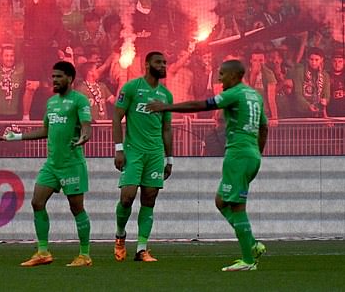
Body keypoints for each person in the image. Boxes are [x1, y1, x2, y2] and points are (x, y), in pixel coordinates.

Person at [147, 60, 268, 271]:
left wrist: (167, 107)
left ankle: (248, 260)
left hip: (238, 155)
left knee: (237, 206)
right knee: (221, 201)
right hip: (250, 154)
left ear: (233, 75)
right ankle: (252, 245)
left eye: (222, 74)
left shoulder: (235, 93)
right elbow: (264, 127)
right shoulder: (255, 96)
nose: (219, 78)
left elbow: (201, 105)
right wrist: (257, 152)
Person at [0, 61, 93, 267]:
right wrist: (16, 137)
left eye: (59, 76)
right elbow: (45, 131)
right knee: (37, 202)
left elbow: (87, 127)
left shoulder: (80, 101)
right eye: (53, 77)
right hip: (52, 165)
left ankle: (84, 255)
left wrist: (83, 138)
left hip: (72, 164)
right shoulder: (51, 103)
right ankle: (43, 252)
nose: (55, 80)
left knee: (76, 208)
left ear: (70, 78)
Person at [112, 51, 173, 263]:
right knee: (127, 197)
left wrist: (169, 158)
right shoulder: (131, 88)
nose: (163, 65)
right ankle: (120, 235)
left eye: (165, 62)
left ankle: (141, 249)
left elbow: (167, 129)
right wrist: (119, 149)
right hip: (133, 151)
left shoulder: (166, 95)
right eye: (159, 62)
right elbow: (117, 117)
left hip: (155, 154)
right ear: (147, 65)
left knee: (149, 199)